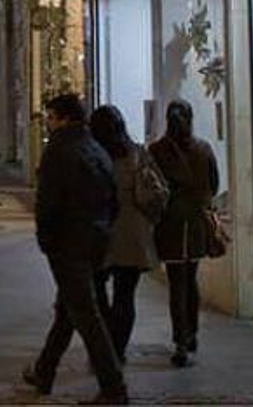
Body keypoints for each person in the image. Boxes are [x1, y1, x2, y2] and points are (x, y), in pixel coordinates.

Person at [22, 93, 128, 405]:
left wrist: (46, 239)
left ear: (64, 118)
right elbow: (114, 199)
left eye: (51, 117)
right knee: (68, 310)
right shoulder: (95, 148)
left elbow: (49, 202)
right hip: (95, 240)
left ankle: (114, 388)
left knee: (86, 315)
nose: (49, 123)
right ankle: (45, 370)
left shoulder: (59, 150)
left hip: (70, 244)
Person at [89, 105, 166, 364]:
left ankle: (104, 348)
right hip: (132, 234)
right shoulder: (136, 153)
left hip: (99, 233)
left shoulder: (93, 156)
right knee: (125, 295)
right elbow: (158, 190)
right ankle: (117, 349)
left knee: (97, 295)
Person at [148, 100, 220, 367]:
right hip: (197, 223)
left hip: (170, 225)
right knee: (191, 280)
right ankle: (192, 334)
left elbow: (150, 189)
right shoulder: (203, 149)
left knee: (177, 284)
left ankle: (180, 340)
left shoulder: (156, 150)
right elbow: (214, 183)